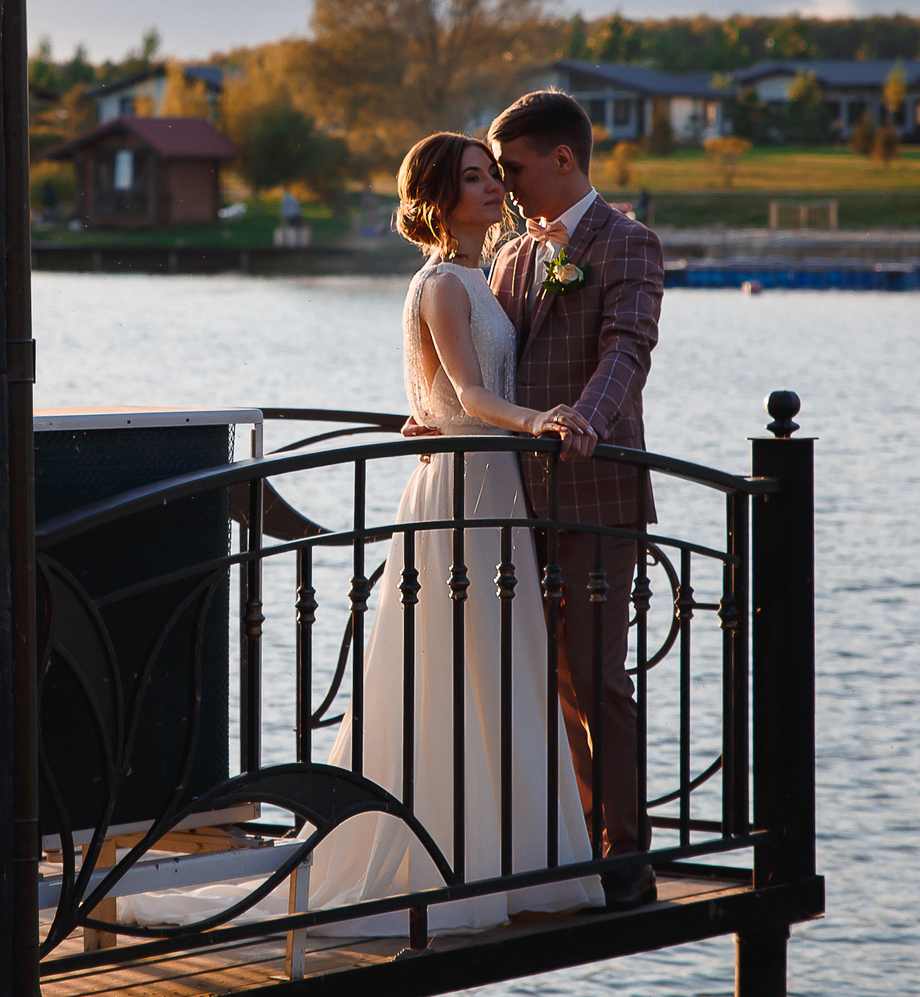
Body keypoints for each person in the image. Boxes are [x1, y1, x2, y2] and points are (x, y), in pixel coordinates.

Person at [120, 133, 603, 937]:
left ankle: (505, 854)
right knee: (450, 664)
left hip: (496, 492)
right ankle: (438, 857)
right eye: (477, 179)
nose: (494, 187)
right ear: (441, 200)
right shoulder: (443, 282)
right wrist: (540, 420)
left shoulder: (485, 274)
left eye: (494, 176)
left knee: (497, 662)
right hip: (460, 486)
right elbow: (471, 394)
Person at [486, 90, 665, 902]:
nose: (507, 186)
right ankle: (567, 841)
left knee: (596, 678)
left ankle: (625, 853)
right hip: (519, 500)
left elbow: (628, 348)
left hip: (595, 490)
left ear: (564, 159)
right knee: (545, 680)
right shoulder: (511, 255)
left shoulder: (628, 242)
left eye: (515, 169)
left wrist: (585, 422)